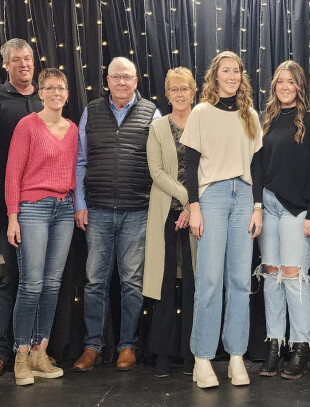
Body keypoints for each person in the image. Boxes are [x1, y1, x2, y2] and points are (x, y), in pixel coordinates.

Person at [180, 51, 263, 388]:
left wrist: (258, 206)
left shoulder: (250, 115)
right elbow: (189, 162)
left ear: (242, 77)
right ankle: (202, 358)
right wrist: (194, 207)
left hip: (243, 196)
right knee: (210, 280)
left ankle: (236, 357)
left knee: (241, 282)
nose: (231, 76)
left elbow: (257, 165)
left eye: (236, 71)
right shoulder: (201, 113)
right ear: (214, 77)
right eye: (225, 71)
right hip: (211, 195)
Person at [73, 57, 160, 372]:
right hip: (96, 210)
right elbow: (81, 160)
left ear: (136, 80)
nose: (122, 82)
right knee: (94, 281)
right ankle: (92, 346)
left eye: (128, 77)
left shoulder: (153, 113)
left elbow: (159, 163)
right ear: (106, 80)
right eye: (116, 77)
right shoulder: (90, 112)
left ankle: (127, 346)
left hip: (137, 211)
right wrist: (79, 204)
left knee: (131, 282)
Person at [257, 60, 310, 379]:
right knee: (271, 275)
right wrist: (257, 205)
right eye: (280, 82)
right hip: (269, 205)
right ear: (274, 86)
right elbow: (257, 165)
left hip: (298, 209)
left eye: (291, 82)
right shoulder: (267, 120)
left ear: (301, 86)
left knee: (293, 275)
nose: (285, 87)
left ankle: (301, 346)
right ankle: (275, 343)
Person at [6, 68, 77, 385]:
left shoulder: (72, 129)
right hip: (32, 209)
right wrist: (12, 216)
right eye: (50, 88)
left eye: (61, 88)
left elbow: (75, 171)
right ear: (41, 93)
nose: (56, 93)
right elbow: (12, 175)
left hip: (64, 209)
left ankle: (40, 351)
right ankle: (21, 356)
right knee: (31, 284)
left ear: (67, 93)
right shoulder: (27, 126)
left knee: (52, 285)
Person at [142, 67, 197, 378]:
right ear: (167, 94)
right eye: (174, 89)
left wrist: (192, 205)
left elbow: (209, 167)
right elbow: (157, 171)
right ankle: (162, 354)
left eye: (184, 89)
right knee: (163, 285)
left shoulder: (203, 123)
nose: (179, 94)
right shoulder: (157, 127)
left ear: (193, 92)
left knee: (192, 284)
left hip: (197, 215)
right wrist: (185, 198)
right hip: (165, 212)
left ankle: (192, 354)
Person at [0, 38, 43, 377]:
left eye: (28, 58)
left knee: (42, 280)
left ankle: (36, 349)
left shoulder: (48, 97)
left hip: (44, 207)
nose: (24, 64)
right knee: (13, 279)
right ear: (6, 65)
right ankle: (6, 351)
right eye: (17, 60)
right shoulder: (1, 101)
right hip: (8, 209)